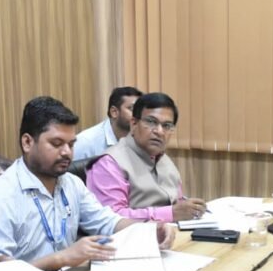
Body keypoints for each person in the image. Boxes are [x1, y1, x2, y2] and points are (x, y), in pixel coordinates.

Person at [0, 96, 175, 270]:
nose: (67, 152)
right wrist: (62, 258)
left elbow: (107, 222)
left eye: (71, 144)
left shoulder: (70, 183)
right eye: (57, 143)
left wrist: (150, 229)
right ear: (27, 142)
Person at [86, 92, 207, 222]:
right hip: (134, 234)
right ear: (133, 124)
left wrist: (190, 208)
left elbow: (176, 201)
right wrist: (170, 213)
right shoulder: (109, 164)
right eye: (151, 122)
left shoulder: (164, 160)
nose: (159, 131)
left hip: (172, 231)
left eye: (167, 126)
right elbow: (111, 219)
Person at [74, 86, 143, 161]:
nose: (138, 114)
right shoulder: (86, 142)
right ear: (114, 112)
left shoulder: (141, 138)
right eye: (132, 109)